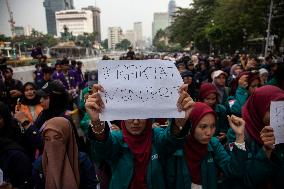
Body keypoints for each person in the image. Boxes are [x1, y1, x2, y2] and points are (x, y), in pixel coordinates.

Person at [85, 84, 195, 189]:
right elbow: (104, 147)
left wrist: (180, 120)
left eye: (141, 115)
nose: (136, 121)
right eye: (130, 115)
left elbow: (171, 141)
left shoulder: (156, 137)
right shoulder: (118, 140)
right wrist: (96, 122)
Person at [165, 102, 248, 189]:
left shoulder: (213, 144)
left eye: (212, 126)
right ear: (191, 125)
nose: (209, 133)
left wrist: (239, 136)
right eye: (203, 127)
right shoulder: (177, 147)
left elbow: (234, 170)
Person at [226, 85, 284, 188]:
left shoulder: (280, 128)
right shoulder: (237, 132)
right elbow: (242, 177)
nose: (279, 115)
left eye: (282, 109)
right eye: (273, 110)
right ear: (259, 108)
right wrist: (266, 151)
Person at [33, 117, 98, 189]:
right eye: (47, 139)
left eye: (57, 138)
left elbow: (91, 185)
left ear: (67, 137)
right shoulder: (40, 164)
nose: (52, 143)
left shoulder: (81, 160)